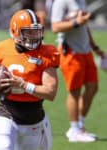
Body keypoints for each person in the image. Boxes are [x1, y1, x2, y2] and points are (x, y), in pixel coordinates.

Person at [0, 9, 59, 150]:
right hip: (6, 112)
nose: (34, 37)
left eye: (36, 31)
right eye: (28, 32)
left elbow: (50, 93)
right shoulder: (4, 48)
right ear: (15, 32)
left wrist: (24, 85)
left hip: (33, 118)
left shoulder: (47, 54)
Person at [51, 0, 105, 142]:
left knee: (93, 88)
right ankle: (74, 130)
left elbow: (85, 25)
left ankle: (79, 126)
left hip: (85, 50)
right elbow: (55, 27)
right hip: (70, 51)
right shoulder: (61, 2)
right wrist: (76, 22)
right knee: (74, 91)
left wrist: (95, 47)